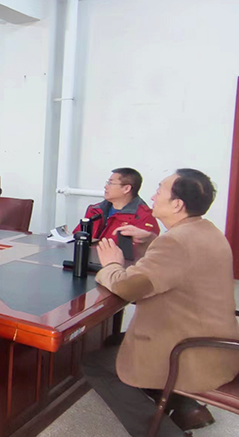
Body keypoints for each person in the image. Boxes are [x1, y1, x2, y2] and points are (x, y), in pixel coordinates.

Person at [84, 169, 239, 436]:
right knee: (115, 342)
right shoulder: (206, 230)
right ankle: (187, 408)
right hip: (213, 340)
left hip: (190, 350)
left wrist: (111, 265)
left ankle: (164, 432)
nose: (153, 196)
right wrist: (151, 241)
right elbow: (178, 266)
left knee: (96, 364)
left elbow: (128, 289)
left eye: (159, 190)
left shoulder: (176, 242)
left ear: (177, 204)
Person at [75, 168, 160, 241]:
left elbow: (146, 250)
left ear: (126, 189)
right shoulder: (95, 210)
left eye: (110, 183)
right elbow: (76, 236)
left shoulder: (144, 217)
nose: (106, 187)